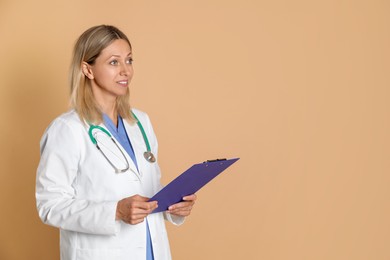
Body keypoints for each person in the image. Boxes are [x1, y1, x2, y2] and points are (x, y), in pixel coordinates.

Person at [36, 25, 196, 260]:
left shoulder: (140, 122)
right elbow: (50, 206)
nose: (125, 71)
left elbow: (148, 188)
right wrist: (115, 211)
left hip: (151, 252)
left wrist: (175, 206)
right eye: (114, 62)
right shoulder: (68, 129)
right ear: (87, 70)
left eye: (129, 60)